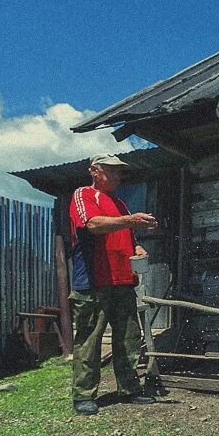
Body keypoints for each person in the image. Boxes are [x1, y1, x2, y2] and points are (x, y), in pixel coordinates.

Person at [67, 154, 159, 415]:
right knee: (89, 340)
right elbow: (92, 224)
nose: (118, 177)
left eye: (120, 173)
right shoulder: (83, 195)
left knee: (129, 338)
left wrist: (138, 248)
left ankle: (129, 388)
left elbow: (128, 238)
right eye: (112, 171)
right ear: (94, 171)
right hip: (94, 281)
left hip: (123, 282)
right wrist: (130, 221)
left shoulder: (120, 204)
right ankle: (83, 395)